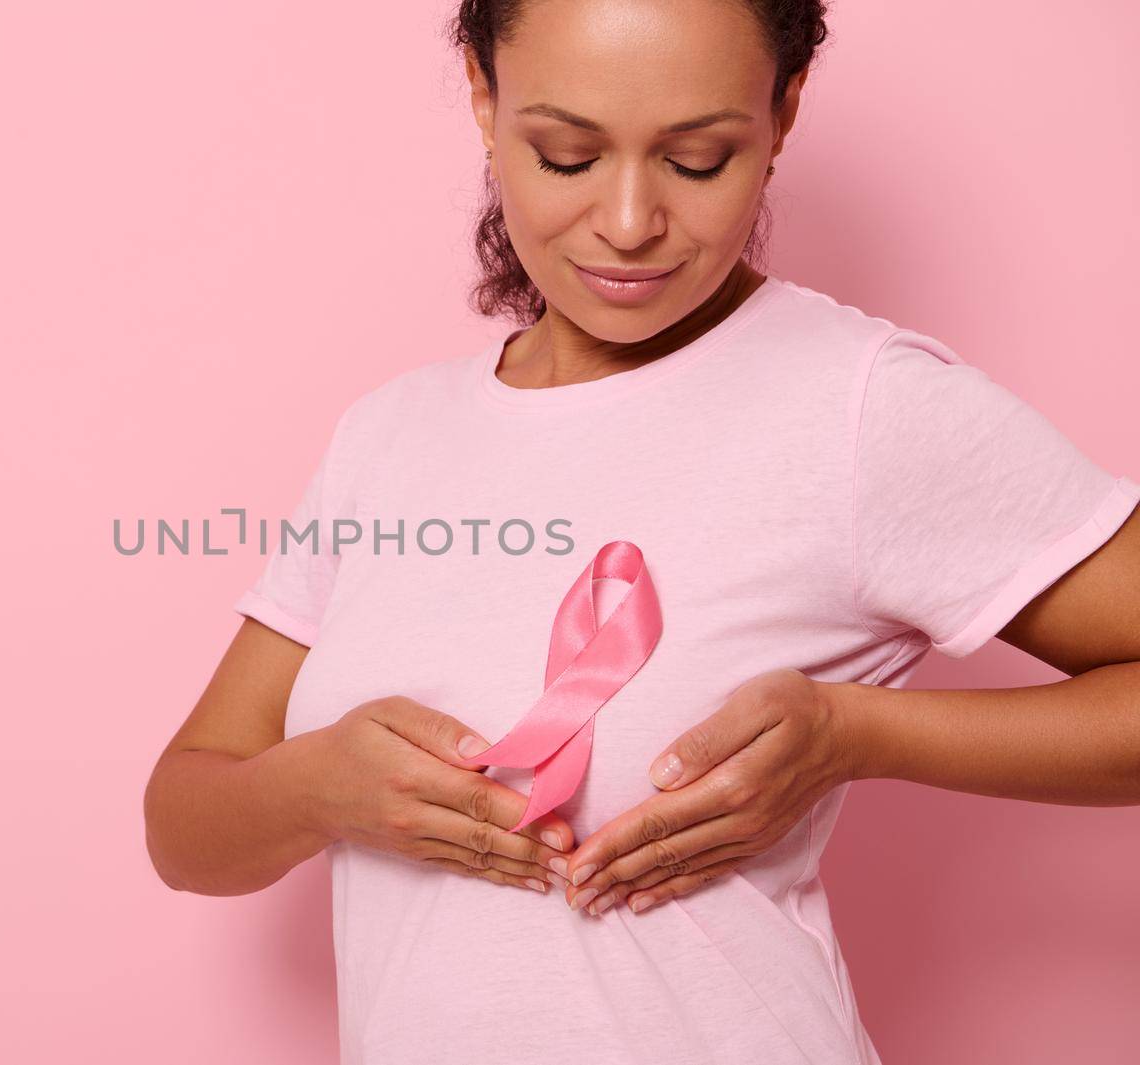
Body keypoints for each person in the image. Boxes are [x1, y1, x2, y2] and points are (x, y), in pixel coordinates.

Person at [143, 1, 1140, 1062]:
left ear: (782, 112)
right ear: (483, 100)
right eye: (565, 154)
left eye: (700, 159)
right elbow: (185, 825)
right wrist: (319, 789)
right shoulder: (390, 434)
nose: (628, 221)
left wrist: (858, 734)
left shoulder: (863, 408)